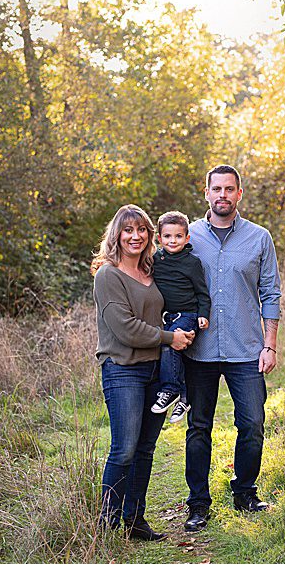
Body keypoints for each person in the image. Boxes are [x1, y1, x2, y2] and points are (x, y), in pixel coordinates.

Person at [182, 165, 282, 530]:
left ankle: (245, 492)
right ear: (206, 192)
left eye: (230, 189)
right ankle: (198, 504)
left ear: (240, 194)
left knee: (253, 423)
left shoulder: (259, 238)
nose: (223, 195)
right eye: (216, 189)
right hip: (199, 351)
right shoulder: (187, 236)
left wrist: (269, 345)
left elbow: (270, 293)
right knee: (198, 427)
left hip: (246, 349)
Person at [92, 204, 197, 541]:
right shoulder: (109, 275)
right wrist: (171, 338)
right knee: (123, 448)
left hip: (156, 370)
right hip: (123, 370)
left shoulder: (153, 271)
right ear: (117, 236)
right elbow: (125, 329)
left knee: (145, 449)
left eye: (141, 230)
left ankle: (135, 522)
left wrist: (193, 321)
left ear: (150, 235)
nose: (135, 236)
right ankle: (107, 527)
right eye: (128, 230)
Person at [148, 210, 211, 419]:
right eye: (167, 236)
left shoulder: (192, 262)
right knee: (175, 354)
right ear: (159, 238)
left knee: (171, 344)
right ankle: (184, 399)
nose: (172, 241)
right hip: (167, 315)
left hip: (188, 314)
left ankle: (170, 389)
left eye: (178, 236)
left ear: (187, 238)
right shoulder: (156, 259)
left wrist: (203, 314)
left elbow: (202, 292)